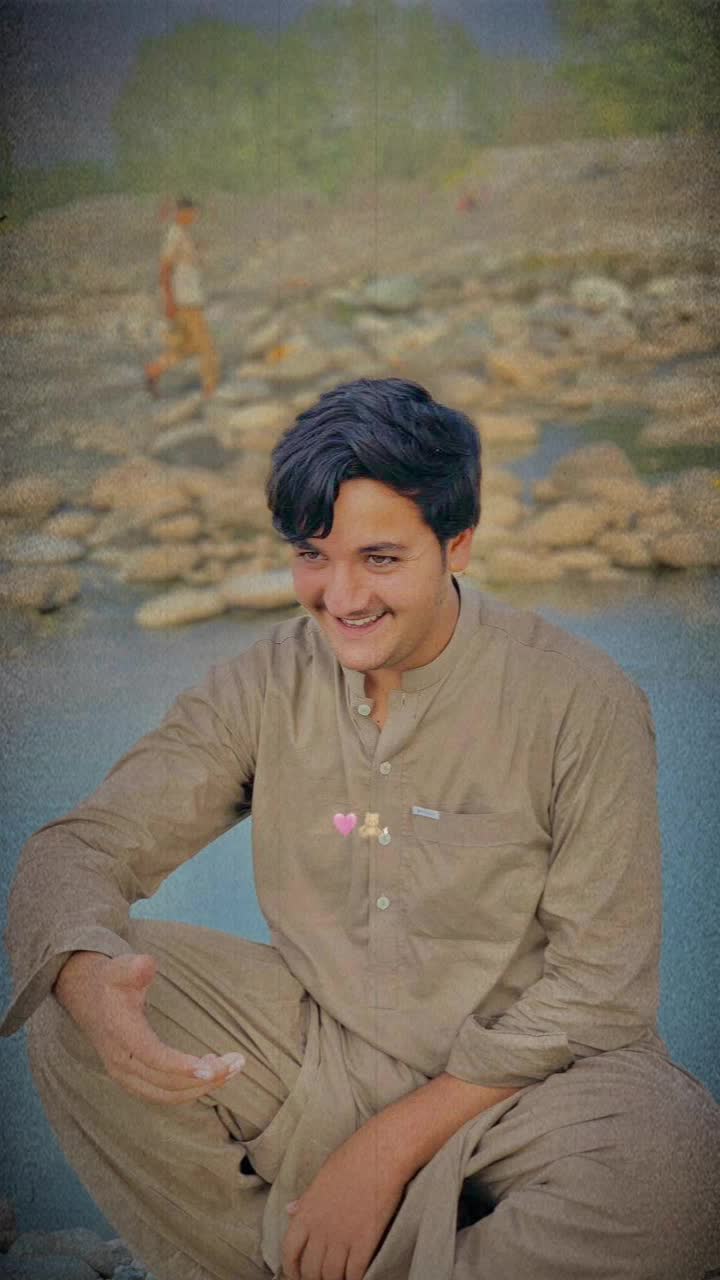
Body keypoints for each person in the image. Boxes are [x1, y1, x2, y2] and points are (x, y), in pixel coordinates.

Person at [3, 378, 719, 1280]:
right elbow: (82, 846)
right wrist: (87, 981)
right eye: (313, 555)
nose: (340, 597)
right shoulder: (265, 683)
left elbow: (598, 993)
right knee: (68, 1005)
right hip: (321, 1055)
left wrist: (381, 1154)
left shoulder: (583, 700)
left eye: (380, 558)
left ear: (458, 543)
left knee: (676, 1172)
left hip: (533, 1086)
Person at [144, 195, 219, 399]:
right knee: (206, 346)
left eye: (195, 213)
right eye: (191, 212)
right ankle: (210, 390)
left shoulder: (184, 235)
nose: (194, 216)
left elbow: (186, 267)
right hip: (184, 302)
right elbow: (165, 269)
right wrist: (169, 301)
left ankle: (154, 370)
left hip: (190, 299)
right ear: (181, 213)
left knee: (187, 346)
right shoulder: (174, 234)